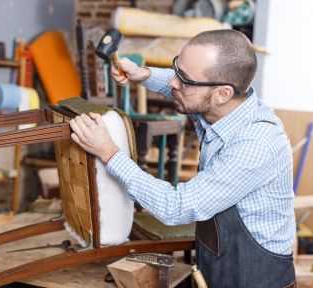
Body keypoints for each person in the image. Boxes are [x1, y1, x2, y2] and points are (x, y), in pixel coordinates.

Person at [69, 29, 296, 287]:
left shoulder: (255, 144)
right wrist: (143, 75)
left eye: (184, 79)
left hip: (255, 278)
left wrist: (109, 153)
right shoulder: (223, 106)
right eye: (176, 67)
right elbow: (182, 84)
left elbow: (175, 207)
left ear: (222, 93)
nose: (174, 83)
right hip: (218, 266)